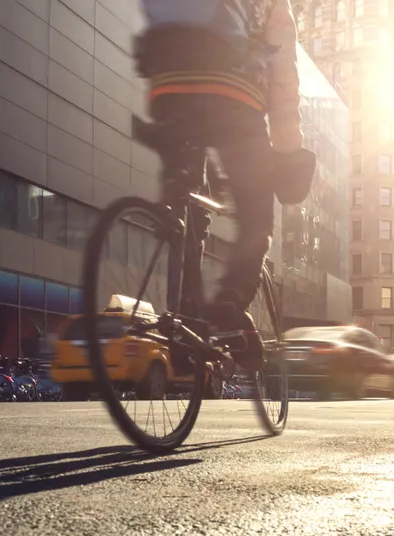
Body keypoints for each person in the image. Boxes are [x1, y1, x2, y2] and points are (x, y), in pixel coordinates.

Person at [134, 0, 308, 371]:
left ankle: (188, 314)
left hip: (168, 82)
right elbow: (283, 72)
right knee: (257, 218)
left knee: (187, 206)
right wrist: (288, 146)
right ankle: (227, 305)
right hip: (233, 94)